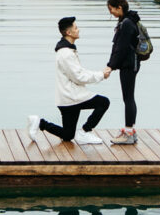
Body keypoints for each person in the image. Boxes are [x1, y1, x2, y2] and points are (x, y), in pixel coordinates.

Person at [28, 14, 113, 145]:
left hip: (66, 99)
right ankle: (85, 131)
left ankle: (40, 123)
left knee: (68, 135)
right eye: (76, 28)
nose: (78, 30)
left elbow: (79, 72)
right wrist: (101, 75)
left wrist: (99, 73)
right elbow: (79, 77)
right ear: (68, 32)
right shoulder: (66, 53)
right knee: (103, 102)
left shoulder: (67, 50)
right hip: (73, 97)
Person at [104, 0, 145, 144]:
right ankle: (131, 131)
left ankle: (128, 132)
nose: (111, 13)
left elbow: (120, 48)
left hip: (129, 64)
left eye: (112, 9)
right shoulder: (127, 20)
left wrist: (110, 66)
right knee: (128, 97)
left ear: (119, 7)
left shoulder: (127, 23)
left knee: (128, 98)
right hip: (130, 64)